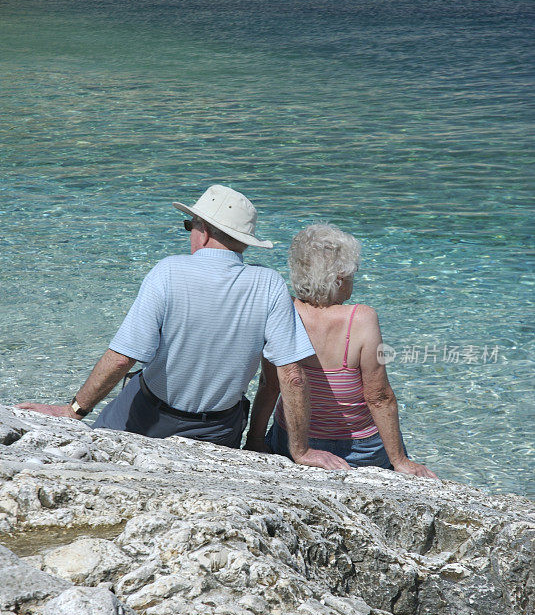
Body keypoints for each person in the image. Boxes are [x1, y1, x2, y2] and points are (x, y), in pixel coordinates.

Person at [17, 186, 348, 471]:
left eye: (189, 225)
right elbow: (290, 376)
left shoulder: (168, 272)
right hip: (219, 430)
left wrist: (73, 410)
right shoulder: (270, 284)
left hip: (148, 419)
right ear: (243, 243)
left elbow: (122, 359)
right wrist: (300, 450)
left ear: (202, 231)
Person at [245, 224, 437, 478]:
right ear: (339, 277)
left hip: (292, 440)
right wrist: (399, 460)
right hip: (361, 449)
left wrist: (256, 439)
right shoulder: (361, 319)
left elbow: (270, 385)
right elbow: (378, 396)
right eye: (353, 273)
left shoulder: (283, 308)